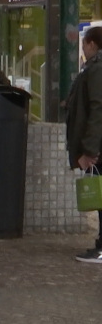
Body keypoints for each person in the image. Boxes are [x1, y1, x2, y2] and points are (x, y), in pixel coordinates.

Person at [67, 26, 102, 262]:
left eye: (83, 45)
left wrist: (90, 149)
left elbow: (97, 108)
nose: (83, 50)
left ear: (91, 44)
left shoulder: (96, 69)